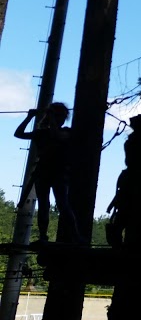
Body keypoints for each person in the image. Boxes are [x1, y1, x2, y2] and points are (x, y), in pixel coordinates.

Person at [14, 102, 81, 243]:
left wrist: (47, 119)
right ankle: (44, 236)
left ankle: (74, 236)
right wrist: (29, 117)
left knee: (61, 204)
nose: (61, 119)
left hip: (58, 173)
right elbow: (18, 134)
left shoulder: (67, 132)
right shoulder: (42, 133)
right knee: (45, 205)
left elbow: (57, 135)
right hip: (47, 172)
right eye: (59, 116)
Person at [106, 114, 141, 247]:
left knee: (124, 213)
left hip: (131, 180)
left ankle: (120, 243)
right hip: (137, 180)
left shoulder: (132, 142)